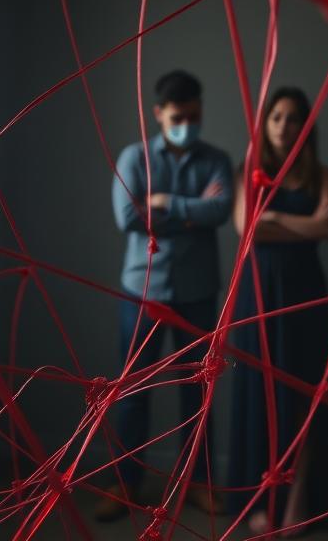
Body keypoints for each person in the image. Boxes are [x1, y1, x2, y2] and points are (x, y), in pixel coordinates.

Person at [97, 69, 234, 521]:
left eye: (194, 116)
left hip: (198, 292)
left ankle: (197, 483)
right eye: (178, 117)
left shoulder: (217, 159)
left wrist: (164, 203)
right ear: (158, 114)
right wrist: (192, 212)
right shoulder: (134, 157)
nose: (186, 125)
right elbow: (128, 218)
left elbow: (220, 210)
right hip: (143, 291)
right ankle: (125, 483)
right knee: (132, 390)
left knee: (198, 392)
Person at [228, 87, 328, 536]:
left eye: (292, 118)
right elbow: (247, 230)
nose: (283, 126)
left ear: (304, 127)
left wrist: (274, 220)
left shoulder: (320, 174)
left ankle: (297, 499)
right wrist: (304, 224)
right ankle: (261, 499)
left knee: (304, 396)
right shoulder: (249, 171)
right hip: (258, 293)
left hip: (305, 292)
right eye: (276, 117)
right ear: (266, 122)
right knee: (261, 395)